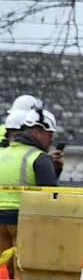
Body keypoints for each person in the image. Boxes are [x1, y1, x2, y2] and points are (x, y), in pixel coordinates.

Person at [0, 105, 62, 268]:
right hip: (23, 222)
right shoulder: (39, 158)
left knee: (3, 273)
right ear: (36, 132)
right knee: (22, 271)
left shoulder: (2, 154)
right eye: (49, 134)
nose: (52, 139)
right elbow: (50, 198)